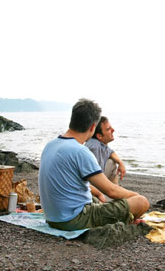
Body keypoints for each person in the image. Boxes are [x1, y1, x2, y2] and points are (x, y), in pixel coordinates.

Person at [39, 98, 149, 231]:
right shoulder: (80, 151)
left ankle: (123, 214)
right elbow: (111, 190)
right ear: (92, 127)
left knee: (96, 196)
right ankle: (128, 213)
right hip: (73, 220)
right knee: (142, 202)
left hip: (52, 218)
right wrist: (135, 196)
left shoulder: (50, 145)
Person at [85, 116, 126, 185]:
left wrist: (120, 163)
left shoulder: (100, 143)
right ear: (99, 136)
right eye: (108, 129)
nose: (113, 130)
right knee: (111, 164)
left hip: (92, 180)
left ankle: (115, 190)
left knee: (111, 162)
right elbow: (94, 177)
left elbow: (111, 153)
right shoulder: (95, 147)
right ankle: (114, 191)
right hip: (88, 185)